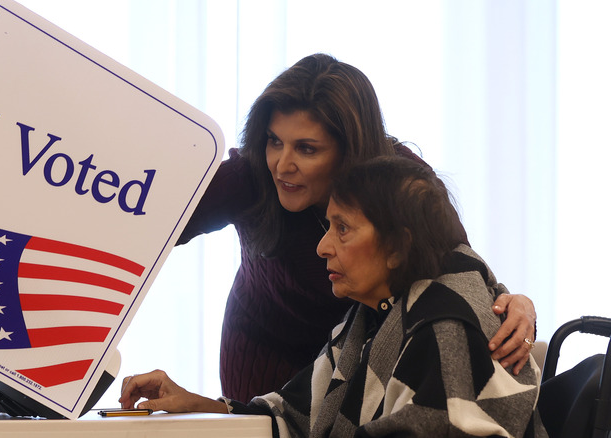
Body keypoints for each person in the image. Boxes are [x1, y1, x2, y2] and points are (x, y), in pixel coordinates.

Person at [177, 53, 537, 403]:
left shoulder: (400, 183)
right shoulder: (251, 174)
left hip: (360, 355)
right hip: (265, 347)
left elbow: (453, 263)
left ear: (348, 150)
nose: (282, 165)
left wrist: (512, 302)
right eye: (274, 141)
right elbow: (153, 226)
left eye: (306, 148)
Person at [121, 156, 548, 437]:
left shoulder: (442, 329)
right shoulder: (372, 318)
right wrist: (195, 403)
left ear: (398, 246)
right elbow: (293, 415)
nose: (323, 247)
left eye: (341, 228)